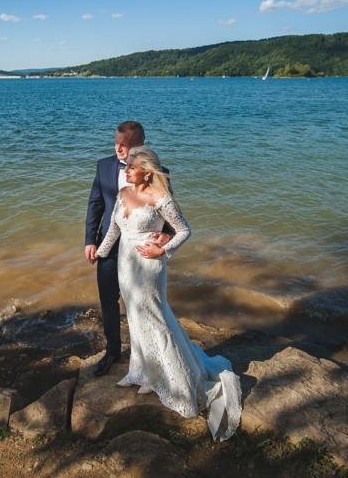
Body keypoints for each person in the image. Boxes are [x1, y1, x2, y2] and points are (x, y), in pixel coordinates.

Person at [94, 146, 243, 442]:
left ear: (147, 172)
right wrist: (100, 253)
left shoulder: (159, 198)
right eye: (126, 167)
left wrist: (163, 248)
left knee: (155, 319)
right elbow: (113, 228)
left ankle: (177, 382)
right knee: (134, 317)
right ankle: (142, 372)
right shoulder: (124, 194)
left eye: (131, 167)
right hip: (125, 263)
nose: (125, 170)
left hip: (149, 266)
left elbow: (184, 230)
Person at [85, 121, 170, 377]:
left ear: (140, 146)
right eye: (116, 143)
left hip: (141, 251)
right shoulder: (104, 166)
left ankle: (146, 355)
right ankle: (112, 351)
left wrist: (166, 238)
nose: (118, 149)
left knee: (144, 303)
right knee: (108, 300)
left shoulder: (158, 172)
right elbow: (95, 205)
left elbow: (170, 216)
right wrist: (90, 240)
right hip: (109, 247)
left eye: (125, 145)